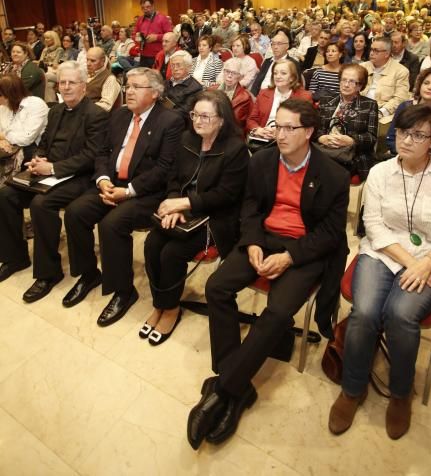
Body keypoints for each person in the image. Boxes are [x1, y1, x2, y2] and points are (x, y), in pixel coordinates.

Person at [187, 99, 350, 449]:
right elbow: (249, 207)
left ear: (309, 132)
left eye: (290, 128)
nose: (281, 134)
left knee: (277, 312)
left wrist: (290, 257)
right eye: (278, 126)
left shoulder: (332, 175)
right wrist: (252, 242)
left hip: (303, 250)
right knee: (217, 287)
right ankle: (238, 386)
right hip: (264, 239)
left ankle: (224, 388)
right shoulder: (261, 160)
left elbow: (330, 234)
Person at [329, 104, 431, 440]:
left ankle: (401, 393)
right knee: (365, 313)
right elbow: (374, 226)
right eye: (403, 132)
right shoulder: (381, 172)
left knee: (400, 314)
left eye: (418, 135)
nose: (406, 140)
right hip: (383, 253)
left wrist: (430, 261)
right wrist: (413, 263)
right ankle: (353, 388)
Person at [63, 68, 183, 324]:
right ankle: (88, 274)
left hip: (146, 192)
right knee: (76, 212)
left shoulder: (170, 121)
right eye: (127, 85)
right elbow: (103, 153)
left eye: (136, 87)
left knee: (112, 224)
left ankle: (123, 291)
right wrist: (104, 180)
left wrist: (127, 192)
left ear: (154, 93)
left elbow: (164, 169)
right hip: (113, 183)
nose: (128, 91)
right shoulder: (118, 116)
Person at [142, 91, 249, 346]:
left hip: (217, 219)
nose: (197, 121)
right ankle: (160, 303)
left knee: (171, 253)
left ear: (222, 120)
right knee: (151, 244)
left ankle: (170, 309)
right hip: (184, 211)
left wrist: (186, 203)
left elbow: (227, 195)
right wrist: (175, 205)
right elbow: (174, 179)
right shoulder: (186, 139)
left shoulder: (235, 149)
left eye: (205, 116)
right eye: (194, 115)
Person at [0, 61, 108, 295]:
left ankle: (49, 273)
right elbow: (45, 143)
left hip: (78, 176)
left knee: (41, 205)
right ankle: (15, 257)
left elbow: (91, 156)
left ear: (83, 85)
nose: (66, 87)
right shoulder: (56, 110)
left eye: (72, 82)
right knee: (6, 194)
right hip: (48, 171)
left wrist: (54, 168)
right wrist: (37, 160)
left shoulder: (96, 115)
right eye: (62, 82)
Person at [316, 64, 378, 180]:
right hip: (324, 150)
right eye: (343, 80)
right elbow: (315, 130)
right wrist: (321, 138)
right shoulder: (326, 101)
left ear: (360, 86)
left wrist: (351, 140)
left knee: (330, 174)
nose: (346, 84)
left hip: (352, 157)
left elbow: (371, 138)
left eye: (352, 81)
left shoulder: (369, 105)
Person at [247, 59, 311, 143]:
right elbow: (251, 119)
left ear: (292, 77)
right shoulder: (263, 93)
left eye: (283, 73)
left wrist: (279, 131)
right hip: (264, 140)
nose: (277, 76)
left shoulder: (304, 97)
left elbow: (306, 125)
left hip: (291, 141)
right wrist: (258, 130)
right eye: (275, 73)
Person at [0, 75, 49, 185]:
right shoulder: (3, 107)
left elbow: (26, 138)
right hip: (8, 148)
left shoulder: (35, 104)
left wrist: (4, 136)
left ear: (8, 95)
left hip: (31, 150)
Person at [360, 37, 410, 119]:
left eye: (376, 51)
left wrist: (381, 112)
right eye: (371, 49)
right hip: (360, 107)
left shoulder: (401, 71)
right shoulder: (362, 67)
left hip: (383, 112)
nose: (371, 53)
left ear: (387, 54)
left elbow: (400, 98)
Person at [250, 28, 300, 96]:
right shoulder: (267, 61)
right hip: (260, 96)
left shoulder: (293, 64)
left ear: (287, 46)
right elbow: (257, 83)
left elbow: (295, 88)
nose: (275, 47)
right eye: (273, 44)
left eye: (279, 44)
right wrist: (252, 96)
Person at [132, 0, 173, 68]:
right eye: (143, 8)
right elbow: (134, 34)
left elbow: (171, 36)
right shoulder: (140, 20)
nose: (146, 10)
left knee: (156, 78)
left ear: (153, 6)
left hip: (158, 55)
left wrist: (156, 37)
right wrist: (137, 38)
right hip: (143, 55)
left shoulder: (162, 18)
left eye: (148, 7)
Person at [214, 57, 253, 132]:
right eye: (227, 71)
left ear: (240, 77)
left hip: (230, 133)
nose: (229, 75)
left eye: (234, 73)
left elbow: (235, 123)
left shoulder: (244, 97)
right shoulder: (212, 89)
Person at [85, 46, 121, 111]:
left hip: (98, 117)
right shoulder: (85, 74)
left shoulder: (110, 79)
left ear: (103, 61)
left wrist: (83, 108)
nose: (88, 64)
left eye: (93, 61)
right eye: (87, 60)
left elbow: (106, 106)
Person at [39, 30, 64, 102]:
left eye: (48, 38)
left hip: (55, 73)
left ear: (54, 39)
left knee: (45, 77)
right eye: (45, 38)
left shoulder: (59, 50)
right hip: (46, 72)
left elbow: (55, 65)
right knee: (48, 85)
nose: (46, 40)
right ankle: (51, 103)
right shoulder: (45, 50)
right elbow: (40, 62)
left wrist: (46, 63)